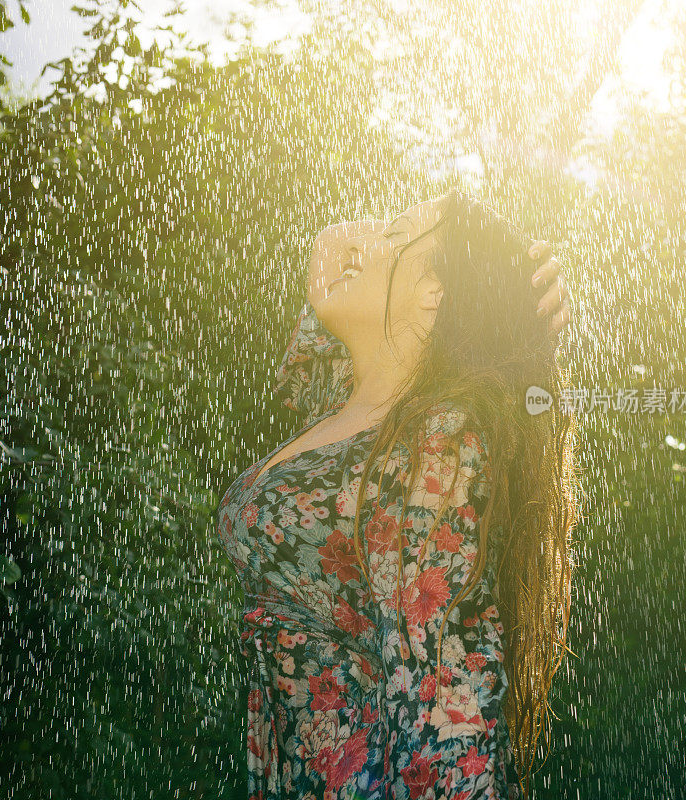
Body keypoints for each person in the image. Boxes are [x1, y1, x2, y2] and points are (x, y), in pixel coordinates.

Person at [216, 189, 578, 800]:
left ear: (435, 295)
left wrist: (509, 289)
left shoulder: (440, 440)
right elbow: (328, 266)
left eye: (397, 232)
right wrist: (497, 279)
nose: (370, 239)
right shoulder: (341, 405)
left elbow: (442, 690)